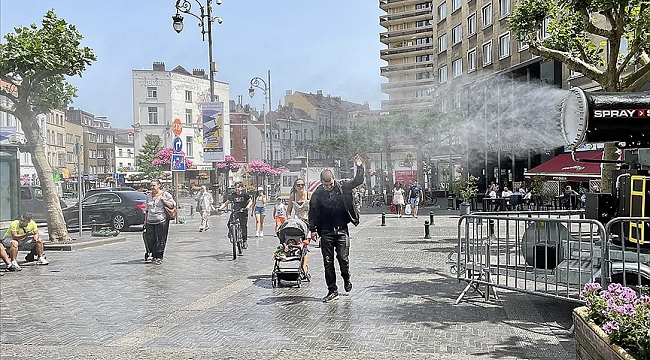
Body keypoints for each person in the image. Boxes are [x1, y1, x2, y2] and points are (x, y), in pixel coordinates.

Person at [308, 154, 364, 303]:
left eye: (330, 184)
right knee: (328, 262)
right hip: (325, 231)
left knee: (343, 259)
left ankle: (346, 278)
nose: (328, 187)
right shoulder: (318, 194)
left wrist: (359, 166)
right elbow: (312, 212)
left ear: (333, 180)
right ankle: (332, 290)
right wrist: (313, 229)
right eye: (326, 185)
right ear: (321, 183)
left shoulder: (342, 185)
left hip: (341, 231)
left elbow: (358, 180)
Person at [144, 180, 176, 265]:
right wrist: (145, 221)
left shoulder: (165, 195)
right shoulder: (148, 196)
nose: (152, 187)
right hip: (150, 220)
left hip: (161, 220)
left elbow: (172, 205)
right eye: (151, 186)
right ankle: (152, 254)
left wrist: (164, 201)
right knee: (150, 238)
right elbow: (147, 209)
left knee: (160, 239)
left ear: (159, 186)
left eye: (154, 185)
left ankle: (158, 256)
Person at [217, 181, 253, 249]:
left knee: (243, 226)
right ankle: (231, 232)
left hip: (243, 211)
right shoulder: (233, 195)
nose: (236, 189)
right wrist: (220, 208)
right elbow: (226, 203)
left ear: (241, 188)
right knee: (229, 223)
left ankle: (244, 240)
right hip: (235, 211)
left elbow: (250, 201)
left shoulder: (245, 194)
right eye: (235, 187)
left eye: (238, 187)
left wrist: (248, 206)